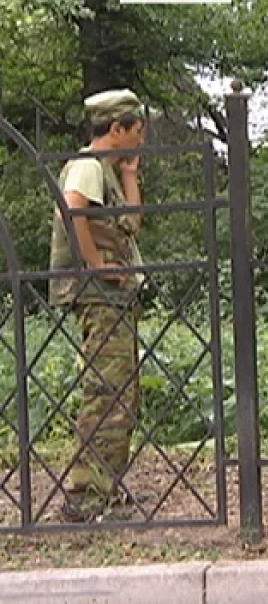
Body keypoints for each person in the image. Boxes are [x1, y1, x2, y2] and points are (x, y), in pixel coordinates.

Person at [48, 89, 147, 522]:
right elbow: (72, 211)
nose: (141, 138)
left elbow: (132, 223)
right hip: (100, 296)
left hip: (115, 297)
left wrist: (130, 174)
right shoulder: (87, 166)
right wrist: (95, 265)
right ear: (117, 128)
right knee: (107, 389)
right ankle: (87, 495)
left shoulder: (105, 169)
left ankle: (106, 488)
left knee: (122, 390)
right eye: (137, 130)